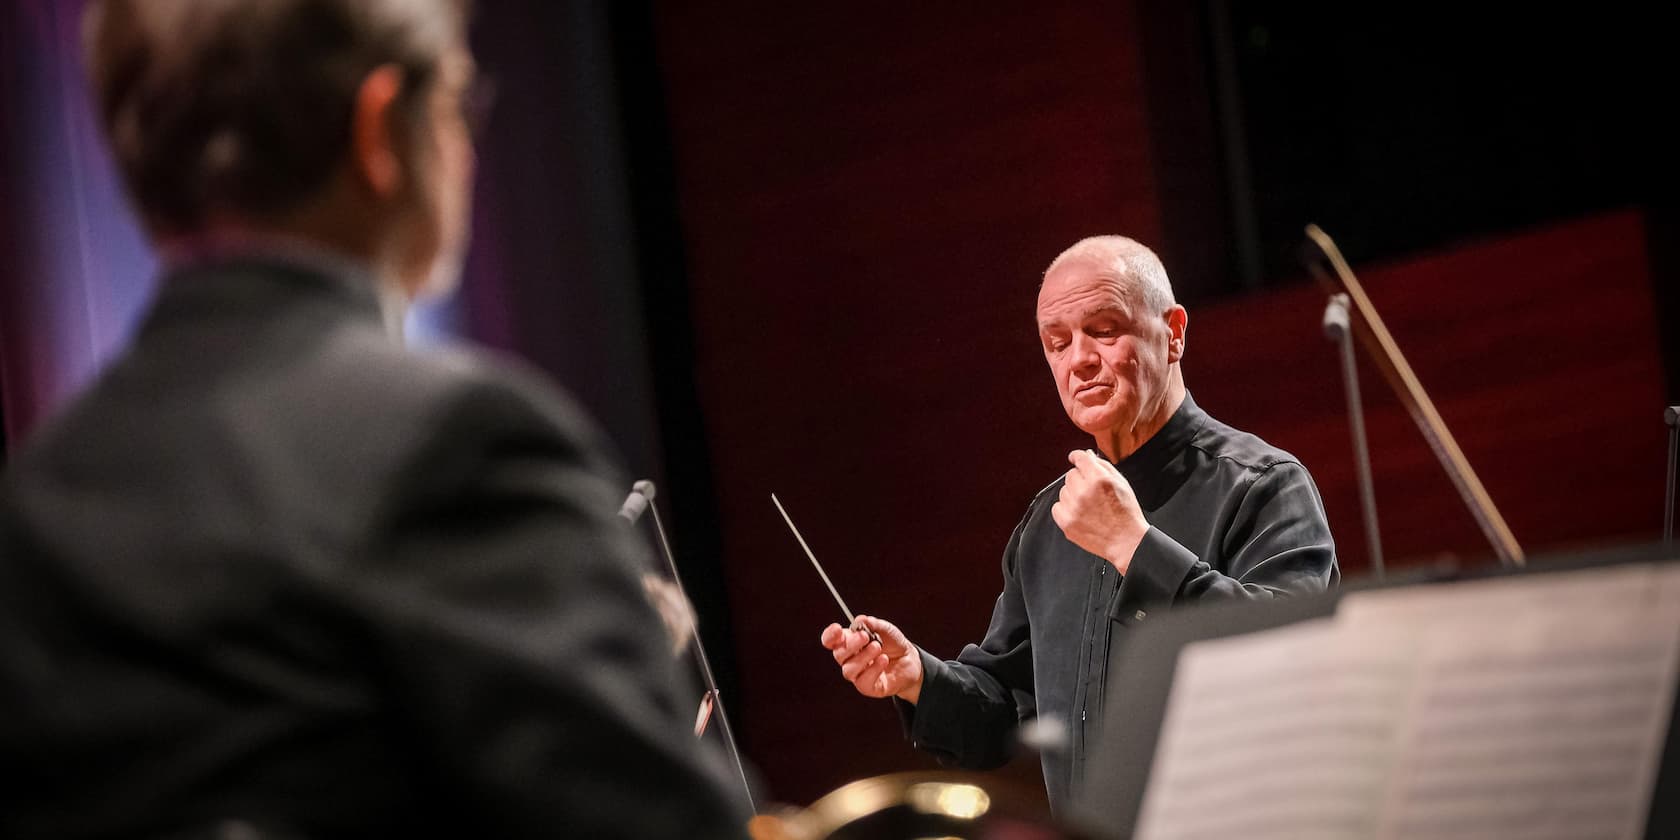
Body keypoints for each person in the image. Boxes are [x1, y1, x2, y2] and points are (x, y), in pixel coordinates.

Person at [0, 1, 745, 837]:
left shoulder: (37, 495)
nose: (466, 144)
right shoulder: (463, 443)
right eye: (457, 102)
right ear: (380, 128)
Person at [821, 235, 1338, 812]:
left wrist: (1134, 548)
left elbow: (1293, 664)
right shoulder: (1047, 525)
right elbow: (1006, 711)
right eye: (1057, 342)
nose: (1079, 360)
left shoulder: (1263, 485)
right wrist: (918, 676)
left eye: (1105, 330)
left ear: (1174, 333)